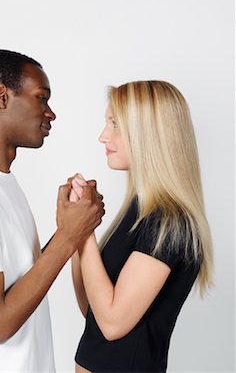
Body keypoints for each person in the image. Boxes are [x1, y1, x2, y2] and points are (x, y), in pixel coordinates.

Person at [0, 49, 105, 372]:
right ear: (1, 96)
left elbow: (23, 281)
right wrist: (69, 236)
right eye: (42, 98)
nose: (50, 113)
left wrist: (73, 227)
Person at [70, 80, 214, 373]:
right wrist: (75, 230)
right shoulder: (139, 211)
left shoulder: (169, 222)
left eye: (115, 124)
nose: (102, 136)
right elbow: (92, 311)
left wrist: (83, 231)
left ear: (149, 133)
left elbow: (111, 324)